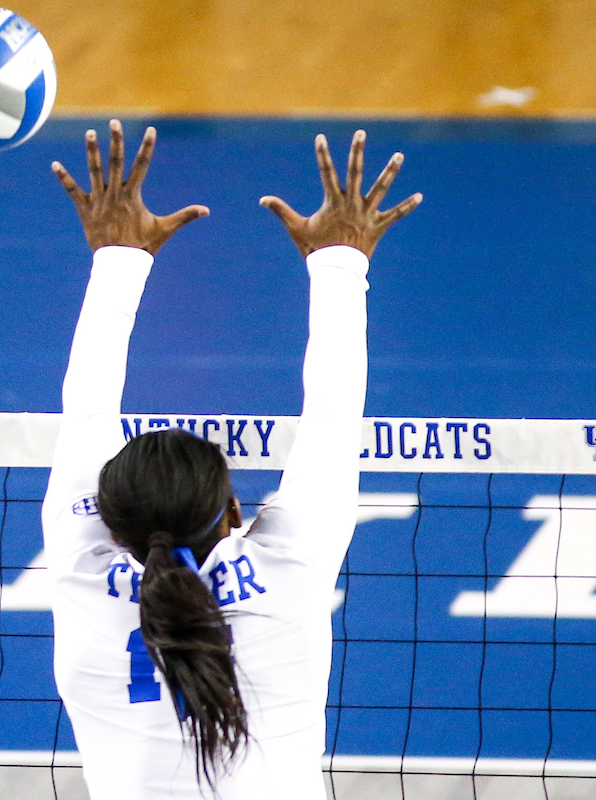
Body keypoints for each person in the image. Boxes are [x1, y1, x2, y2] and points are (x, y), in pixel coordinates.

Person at [43, 121, 420, 798]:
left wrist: (119, 259)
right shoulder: (290, 566)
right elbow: (335, 410)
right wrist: (338, 261)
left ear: (109, 523)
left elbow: (84, 407)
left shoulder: (78, 568)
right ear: (236, 512)